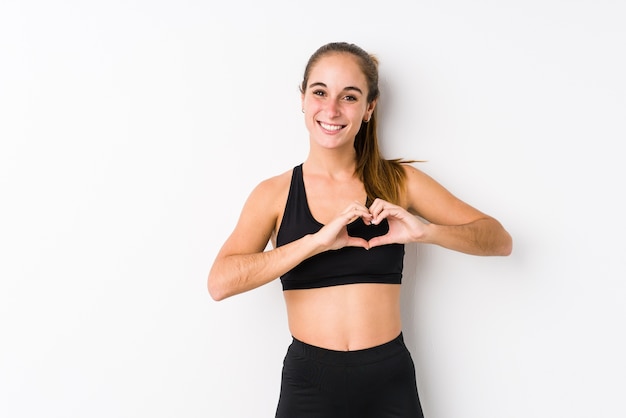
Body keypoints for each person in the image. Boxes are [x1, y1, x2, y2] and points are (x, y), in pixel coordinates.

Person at [207, 41, 512, 418]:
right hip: (309, 384)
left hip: (389, 380)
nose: (331, 109)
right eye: (320, 92)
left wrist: (425, 232)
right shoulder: (274, 194)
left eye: (349, 97)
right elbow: (220, 282)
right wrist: (314, 242)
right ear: (302, 99)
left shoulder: (400, 181)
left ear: (369, 108)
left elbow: (499, 240)